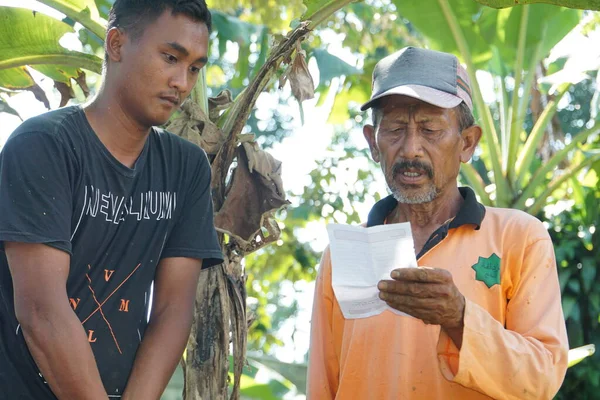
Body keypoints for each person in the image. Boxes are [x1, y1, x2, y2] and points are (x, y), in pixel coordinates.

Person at [307, 47, 569, 400]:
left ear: (466, 143)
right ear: (373, 143)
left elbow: (542, 380)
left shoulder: (519, 238)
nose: (411, 149)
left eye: (430, 130)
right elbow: (323, 387)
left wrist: (460, 319)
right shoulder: (341, 257)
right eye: (396, 130)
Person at [0, 1, 223, 399]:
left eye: (194, 68)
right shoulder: (43, 146)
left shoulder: (186, 169)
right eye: (170, 58)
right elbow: (40, 311)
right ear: (116, 44)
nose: (182, 83)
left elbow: (173, 311)